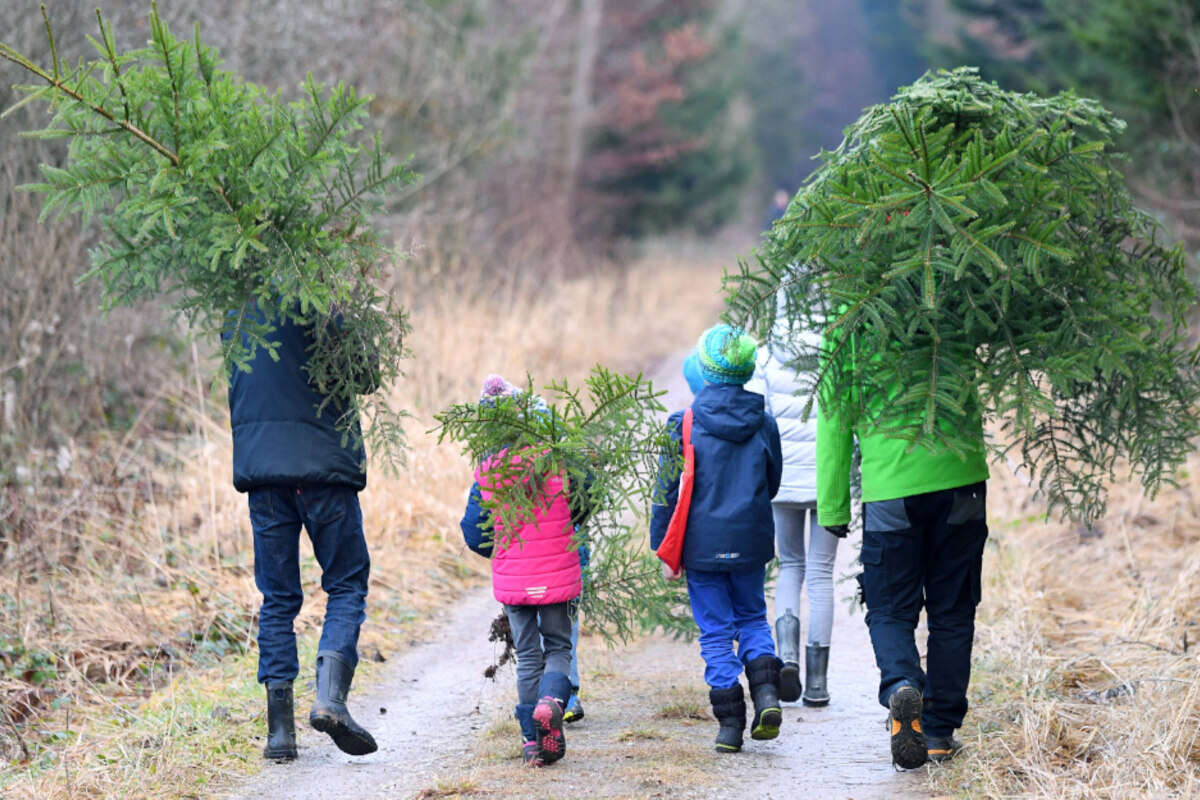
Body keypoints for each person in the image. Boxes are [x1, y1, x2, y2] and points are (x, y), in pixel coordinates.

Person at [816, 330, 990, 768]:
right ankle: (938, 734)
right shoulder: (954, 285)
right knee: (953, 610)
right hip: (961, 477)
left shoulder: (850, 313)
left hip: (891, 485)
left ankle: (900, 686)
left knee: (889, 606)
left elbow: (835, 415)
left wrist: (833, 504)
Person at [226, 303, 378, 762]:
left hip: (264, 474)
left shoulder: (234, 309)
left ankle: (279, 736)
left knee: (277, 599)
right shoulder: (319, 298)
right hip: (324, 469)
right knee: (347, 582)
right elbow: (365, 375)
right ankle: (330, 701)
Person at [650, 325, 784, 753]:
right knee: (752, 618)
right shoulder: (763, 423)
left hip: (701, 547)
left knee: (714, 632)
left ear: (705, 371)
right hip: (750, 541)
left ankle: (730, 725)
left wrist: (664, 549)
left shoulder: (683, 424)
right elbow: (773, 481)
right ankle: (766, 696)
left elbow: (665, 496)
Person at [460, 375, 585, 767]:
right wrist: (567, 529)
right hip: (558, 575)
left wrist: (501, 553)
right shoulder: (556, 458)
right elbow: (585, 498)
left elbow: (474, 531)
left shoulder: (488, 470)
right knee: (559, 647)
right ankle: (551, 702)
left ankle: (531, 743)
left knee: (528, 656)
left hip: (514, 579)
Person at [744, 304, 844, 708]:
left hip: (782, 479)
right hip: (828, 477)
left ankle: (787, 659)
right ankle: (818, 685)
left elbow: (757, 415)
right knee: (821, 573)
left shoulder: (767, 355)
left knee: (790, 566)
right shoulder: (836, 350)